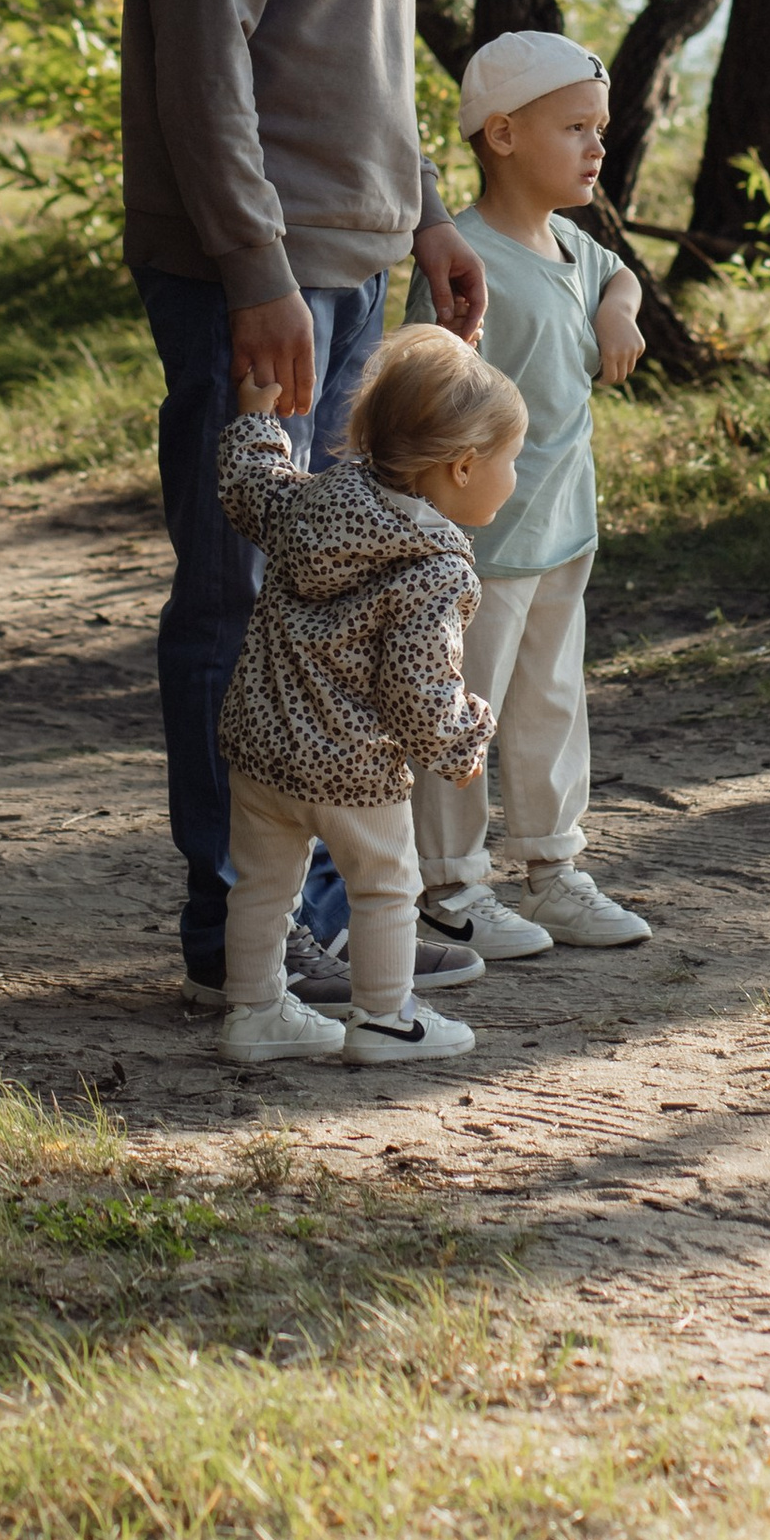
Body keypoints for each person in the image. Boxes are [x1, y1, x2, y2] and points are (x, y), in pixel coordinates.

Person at [119, 0, 499, 1009]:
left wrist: (423, 207)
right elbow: (203, 60)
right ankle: (242, 932)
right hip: (257, 273)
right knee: (238, 590)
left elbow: (358, 40)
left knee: (329, 602)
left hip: (347, 248)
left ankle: (332, 906)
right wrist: (258, 269)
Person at [212, 327, 527, 1065]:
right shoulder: (436, 569)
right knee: (386, 886)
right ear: (461, 467)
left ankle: (254, 1012)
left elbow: (251, 484)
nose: (517, 474)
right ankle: (385, 1019)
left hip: (263, 749)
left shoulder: (312, 506)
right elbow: (419, 689)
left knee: (261, 888)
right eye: (511, 460)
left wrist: (259, 418)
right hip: (354, 770)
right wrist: (463, 741)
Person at [405, 28, 654, 955]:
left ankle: (553, 870)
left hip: (561, 531)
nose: (598, 147)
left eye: (601, 127)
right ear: (503, 135)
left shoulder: (571, 243)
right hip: (479, 543)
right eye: (576, 129)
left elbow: (617, 273)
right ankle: (453, 888)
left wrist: (619, 309)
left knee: (553, 703)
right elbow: (421, 397)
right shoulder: (463, 261)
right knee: (459, 712)